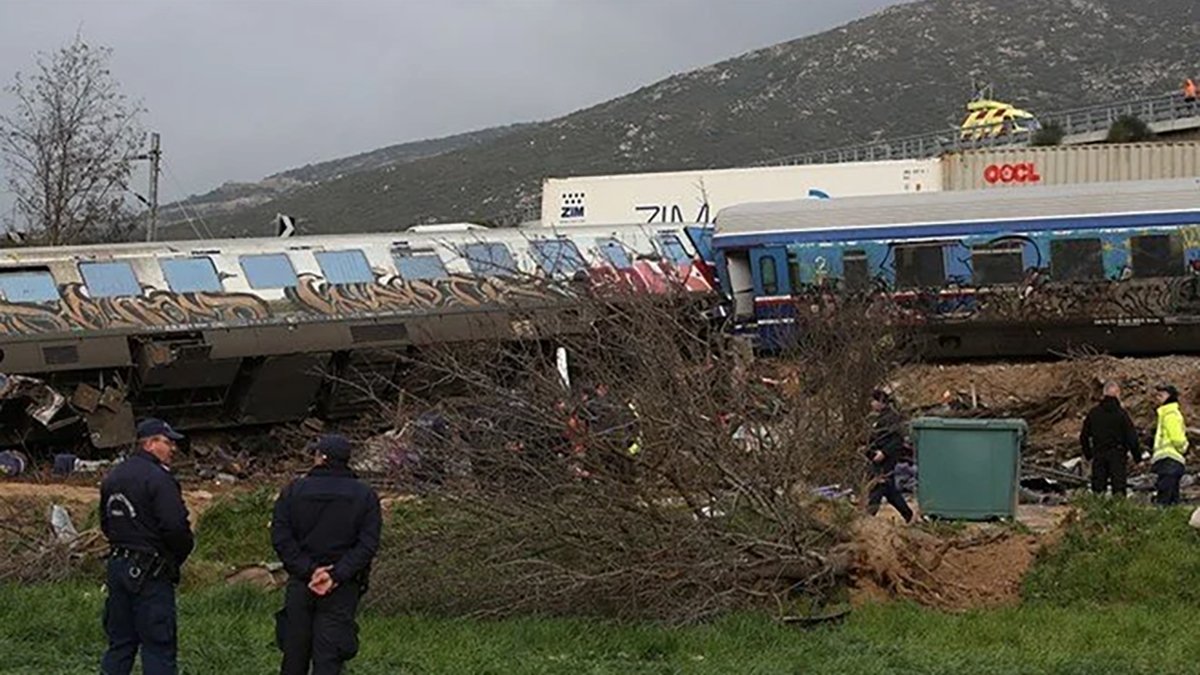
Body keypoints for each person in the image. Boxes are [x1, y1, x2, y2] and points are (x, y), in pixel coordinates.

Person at [272, 434, 382, 675]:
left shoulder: (293, 491)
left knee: (294, 654)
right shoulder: (365, 496)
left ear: (320, 457)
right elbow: (367, 544)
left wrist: (309, 570)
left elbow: (281, 538)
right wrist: (336, 574)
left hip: (302, 583)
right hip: (342, 586)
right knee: (329, 657)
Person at [99, 418, 194, 675]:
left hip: (117, 566)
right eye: (168, 442)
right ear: (150, 443)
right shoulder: (158, 478)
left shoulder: (114, 476)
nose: (173, 448)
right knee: (158, 646)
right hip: (151, 572)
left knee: (120, 644)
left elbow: (106, 524)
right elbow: (175, 527)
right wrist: (176, 556)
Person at [1079, 381, 1141, 496]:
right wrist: (1137, 457)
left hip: (1099, 453)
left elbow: (1084, 436)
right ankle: (1118, 511)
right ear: (1117, 394)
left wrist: (1088, 454)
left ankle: (1097, 511)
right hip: (1117, 454)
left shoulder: (1094, 413)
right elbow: (1132, 437)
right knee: (1118, 488)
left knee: (1098, 489)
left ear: (1104, 394)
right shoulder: (1121, 414)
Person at [865, 390, 914, 523]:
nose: (872, 404)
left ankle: (869, 516)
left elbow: (897, 440)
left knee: (879, 484)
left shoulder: (891, 418)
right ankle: (908, 514)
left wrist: (884, 452)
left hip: (886, 457)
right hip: (877, 455)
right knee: (889, 490)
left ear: (881, 401)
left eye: (874, 401)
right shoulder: (877, 418)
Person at [1150, 384, 1188, 506]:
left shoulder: (1170, 414)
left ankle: (1164, 521)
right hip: (1170, 460)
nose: (1158, 396)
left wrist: (1183, 447)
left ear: (1170, 396)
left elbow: (1177, 438)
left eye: (1162, 394)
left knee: (1165, 496)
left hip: (1170, 459)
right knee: (1171, 496)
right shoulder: (1166, 413)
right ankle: (1171, 521)